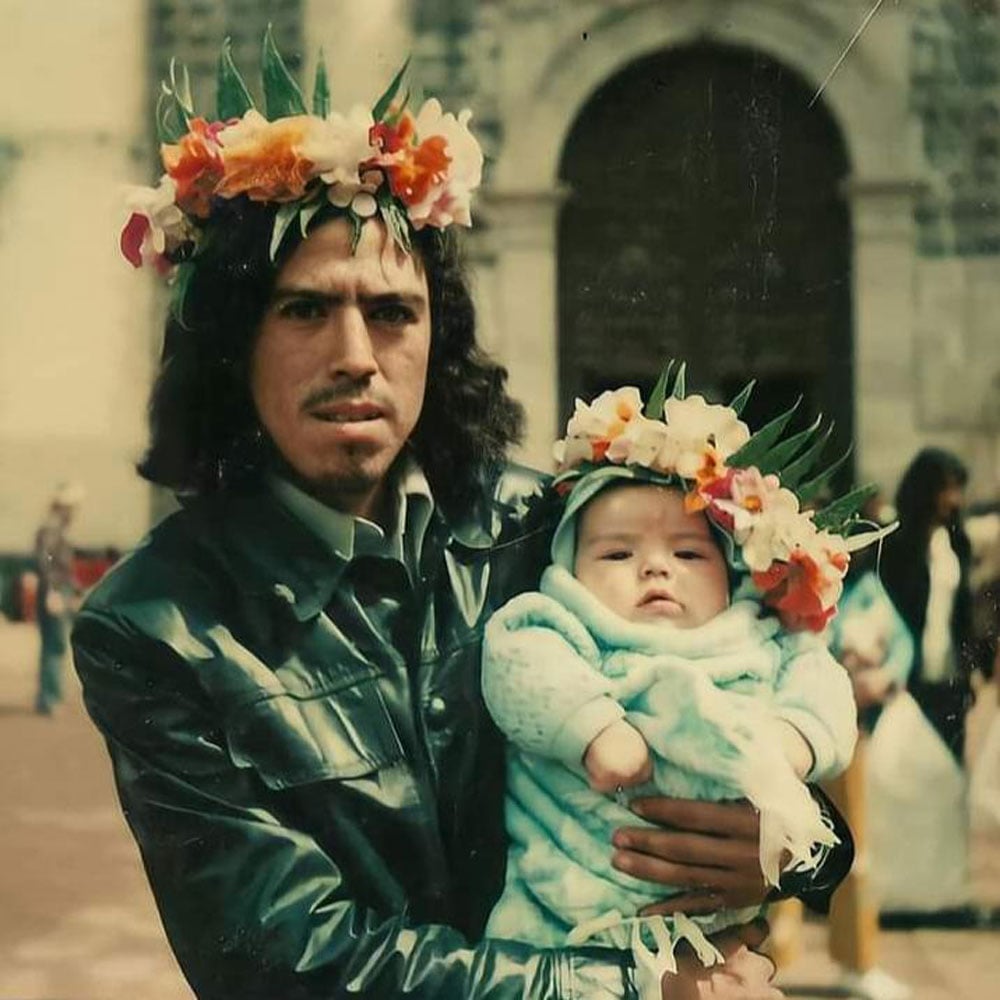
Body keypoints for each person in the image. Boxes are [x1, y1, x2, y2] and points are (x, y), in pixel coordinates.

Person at [72, 38, 850, 999]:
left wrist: (805, 849)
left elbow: (744, 690)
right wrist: (624, 989)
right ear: (234, 339)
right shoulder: (157, 626)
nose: (357, 354)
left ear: (438, 337)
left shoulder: (547, 525)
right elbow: (280, 956)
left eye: (394, 312)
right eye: (305, 311)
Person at [480, 380, 862, 990]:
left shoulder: (754, 639)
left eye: (689, 554)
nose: (656, 567)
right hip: (569, 922)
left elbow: (822, 685)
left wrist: (794, 739)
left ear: (732, 576)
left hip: (716, 933)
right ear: (567, 573)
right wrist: (592, 728)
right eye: (615, 555)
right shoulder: (564, 628)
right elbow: (517, 659)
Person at [872, 447, 978, 921]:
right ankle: (900, 890)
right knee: (904, 783)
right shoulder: (898, 544)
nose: (953, 499)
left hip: (949, 680)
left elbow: (962, 613)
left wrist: (974, 667)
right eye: (947, 487)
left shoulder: (957, 543)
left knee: (948, 785)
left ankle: (943, 890)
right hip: (907, 680)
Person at [34, 481, 84, 715]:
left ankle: (50, 695)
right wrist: (53, 592)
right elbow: (47, 563)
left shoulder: (57, 530)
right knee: (55, 645)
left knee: (54, 644)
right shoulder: (51, 530)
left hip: (58, 590)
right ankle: (49, 698)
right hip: (53, 591)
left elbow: (62, 567)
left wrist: (73, 590)